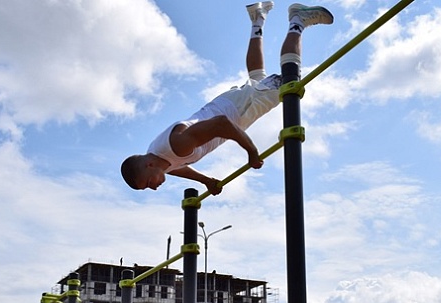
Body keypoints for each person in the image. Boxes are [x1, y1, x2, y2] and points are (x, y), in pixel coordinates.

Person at [120, 2, 334, 194]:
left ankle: (298, 20)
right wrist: (206, 181)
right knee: (257, 78)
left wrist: (251, 152)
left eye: (148, 183)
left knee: (289, 82)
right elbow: (178, 168)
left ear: (149, 166)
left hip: (234, 113)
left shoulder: (177, 144)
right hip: (229, 106)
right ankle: (257, 19)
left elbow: (221, 125)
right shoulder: (159, 157)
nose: (153, 188)